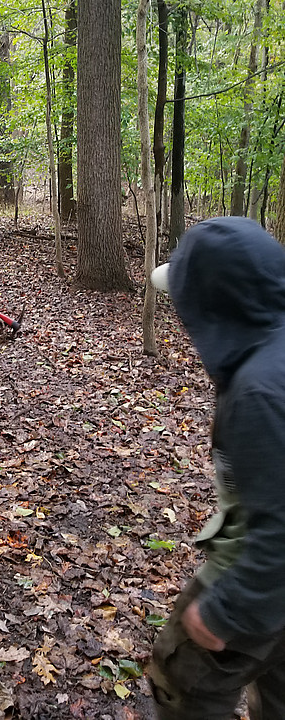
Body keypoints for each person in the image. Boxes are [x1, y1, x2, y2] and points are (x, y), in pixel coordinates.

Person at [148, 216, 285, 720]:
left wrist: (229, 609)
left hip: (261, 575)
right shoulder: (271, 354)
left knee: (182, 678)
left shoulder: (262, 391)